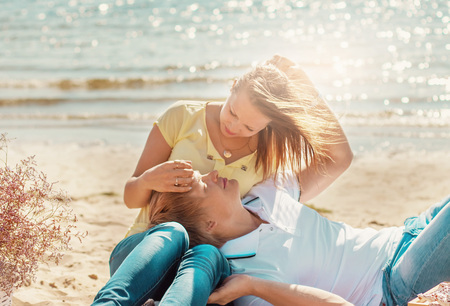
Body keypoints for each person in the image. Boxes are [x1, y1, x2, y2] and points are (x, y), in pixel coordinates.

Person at [93, 55, 354, 305]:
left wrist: (304, 83)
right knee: (175, 233)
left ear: (267, 125)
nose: (234, 126)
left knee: (210, 254)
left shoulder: (269, 153)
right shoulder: (182, 117)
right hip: (144, 253)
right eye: (233, 112)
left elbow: (336, 159)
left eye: (249, 127)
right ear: (231, 87)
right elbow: (130, 197)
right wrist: (147, 181)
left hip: (199, 271)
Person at [141, 170, 450, 306]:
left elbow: (339, 155)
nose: (211, 174)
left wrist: (294, 79)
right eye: (204, 186)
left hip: (407, 232)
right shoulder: (247, 275)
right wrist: (255, 286)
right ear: (208, 223)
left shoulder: (261, 194)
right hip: (394, 282)